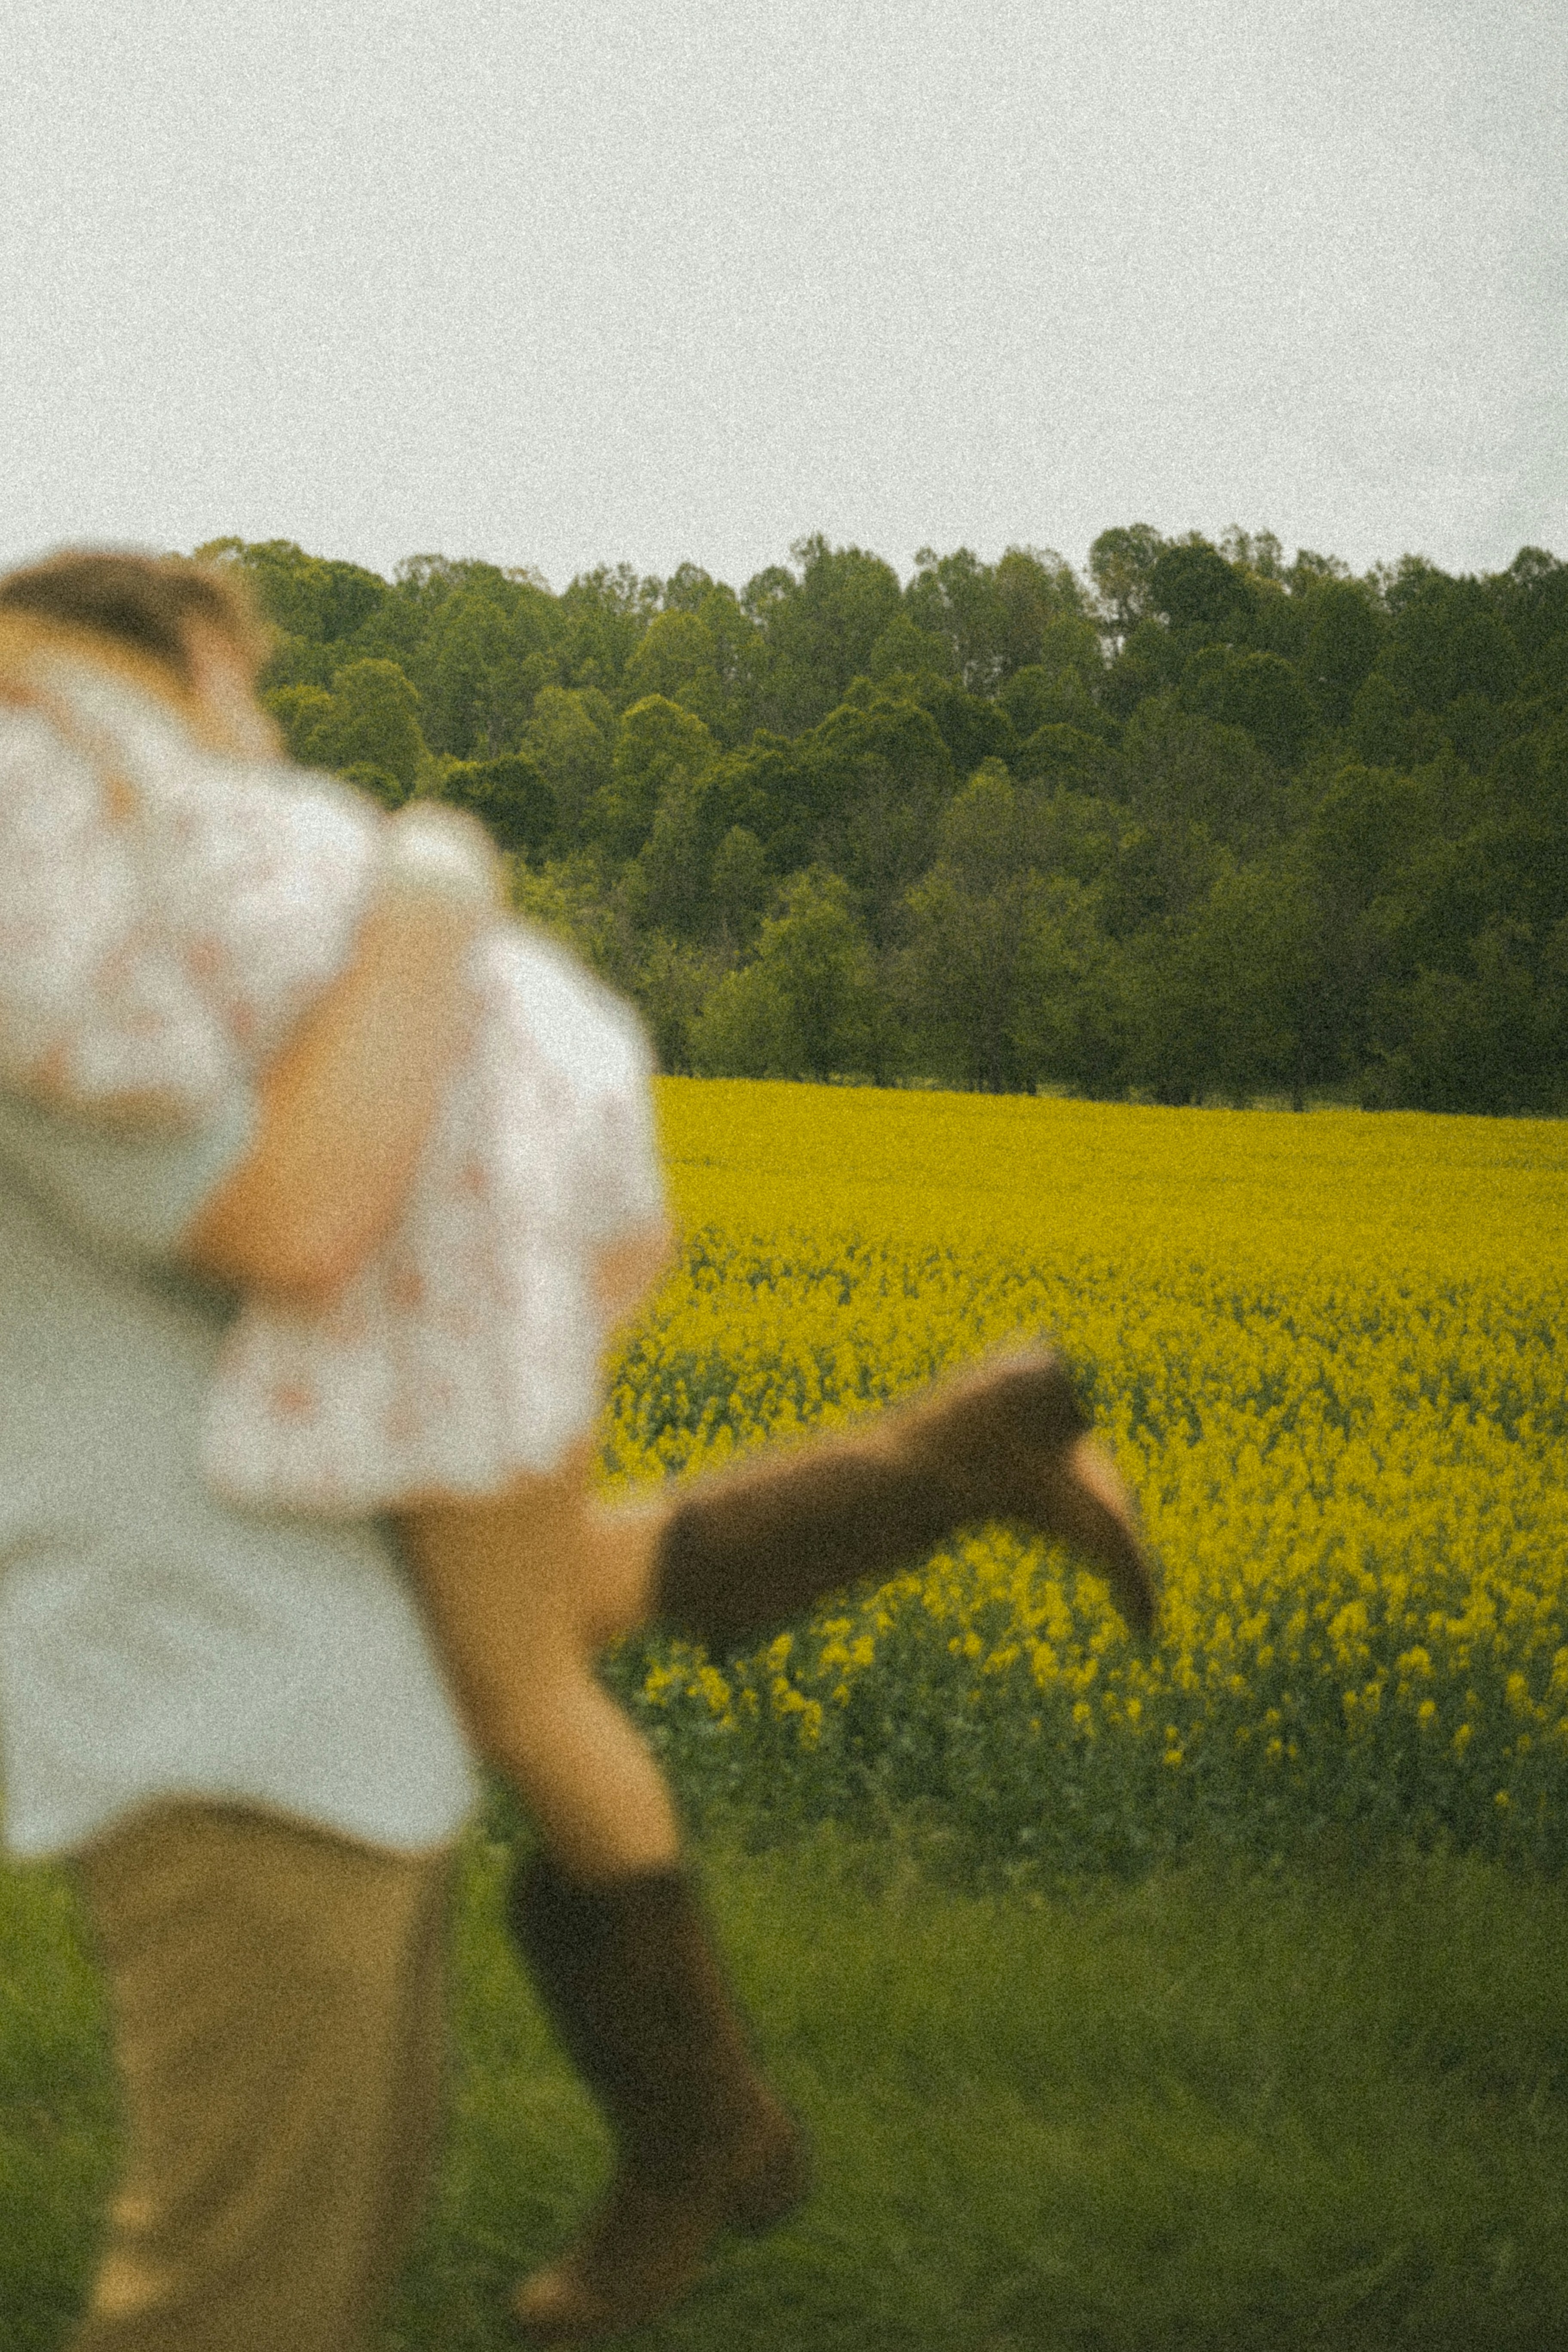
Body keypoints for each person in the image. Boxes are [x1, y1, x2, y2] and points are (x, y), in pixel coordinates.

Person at [0, 550, 1158, 2346]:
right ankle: (954, 1462)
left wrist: (427, 890)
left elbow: (297, 1205)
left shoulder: (220, 895)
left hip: (318, 1590)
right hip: (278, 1625)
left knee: (519, 1669)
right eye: (242, 693)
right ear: (157, 670)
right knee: (526, 1625)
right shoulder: (119, 856)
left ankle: (703, 2126)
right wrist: (432, 877)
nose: (262, 748)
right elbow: (290, 1197)